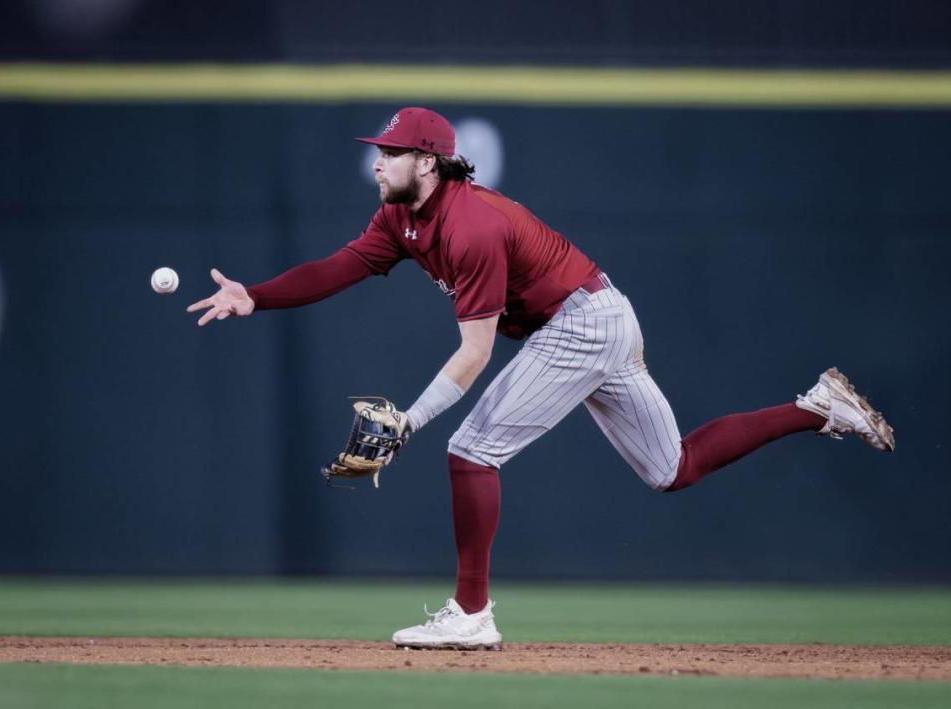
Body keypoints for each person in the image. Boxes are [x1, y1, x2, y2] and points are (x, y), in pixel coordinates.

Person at [187, 107, 895, 650]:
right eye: (380, 152)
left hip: (583, 322)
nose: (379, 162)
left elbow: (473, 354)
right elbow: (338, 267)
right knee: (671, 467)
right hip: (599, 313)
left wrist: (409, 420)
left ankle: (470, 614)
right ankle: (818, 407)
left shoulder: (471, 227)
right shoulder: (400, 217)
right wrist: (256, 293)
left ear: (428, 163)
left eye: (392, 153)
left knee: (470, 449)